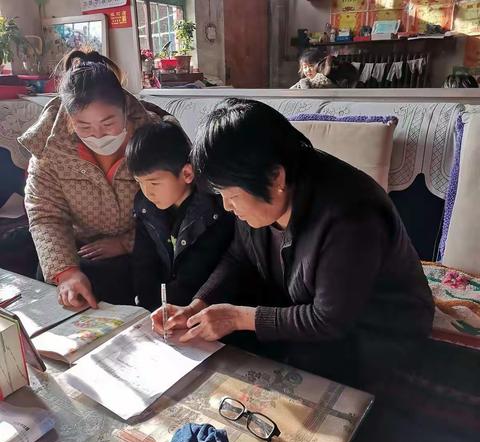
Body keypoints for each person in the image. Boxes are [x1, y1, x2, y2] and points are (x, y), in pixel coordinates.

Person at [152, 98, 434, 388]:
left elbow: (328, 320)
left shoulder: (350, 216)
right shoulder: (261, 189)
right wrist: (198, 305)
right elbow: (239, 257)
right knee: (218, 346)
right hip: (302, 305)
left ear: (276, 177)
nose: (226, 207)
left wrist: (238, 317)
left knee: (290, 375)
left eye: (231, 196)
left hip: (375, 329)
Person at [19, 50, 178, 309]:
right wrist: (66, 272)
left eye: (108, 123)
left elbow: (179, 203)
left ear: (125, 109)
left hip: (144, 248)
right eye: (84, 127)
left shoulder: (156, 136)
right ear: (70, 122)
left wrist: (127, 243)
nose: (99, 135)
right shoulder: (49, 149)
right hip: (79, 251)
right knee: (61, 292)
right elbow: (45, 214)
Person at [125, 122, 234, 311]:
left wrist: (167, 309)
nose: (147, 192)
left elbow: (197, 275)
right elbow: (144, 263)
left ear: (187, 173)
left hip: (201, 306)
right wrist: (148, 306)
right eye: (139, 182)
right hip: (163, 307)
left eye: (154, 183)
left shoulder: (213, 211)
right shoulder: (145, 206)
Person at [290, 50, 357, 89]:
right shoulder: (305, 81)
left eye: (311, 66)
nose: (308, 70)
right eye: (305, 67)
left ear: (321, 66)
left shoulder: (324, 80)